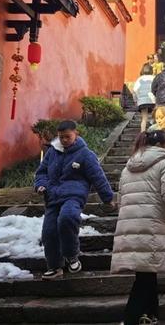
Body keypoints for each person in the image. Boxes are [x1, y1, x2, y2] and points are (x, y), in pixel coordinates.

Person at [111, 130, 165, 325]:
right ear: (160, 145)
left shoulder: (128, 166)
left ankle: (150, 313)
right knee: (145, 277)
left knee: (147, 273)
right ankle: (130, 318)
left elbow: (121, 198)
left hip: (130, 224)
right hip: (153, 223)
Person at [35, 120, 114, 280]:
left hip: (74, 196)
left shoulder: (85, 154)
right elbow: (41, 172)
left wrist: (108, 198)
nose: (64, 140)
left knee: (67, 218)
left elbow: (98, 177)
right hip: (52, 197)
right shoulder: (52, 152)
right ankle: (55, 267)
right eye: (61, 137)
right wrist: (41, 185)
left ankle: (71, 256)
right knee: (49, 232)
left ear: (76, 134)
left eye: (68, 137)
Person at [133, 64, 156, 132]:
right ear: (151, 70)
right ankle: (153, 129)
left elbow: (134, 91)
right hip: (153, 100)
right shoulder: (154, 78)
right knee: (155, 116)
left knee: (144, 119)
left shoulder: (139, 79)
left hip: (142, 101)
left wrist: (135, 100)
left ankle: (142, 133)